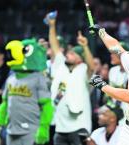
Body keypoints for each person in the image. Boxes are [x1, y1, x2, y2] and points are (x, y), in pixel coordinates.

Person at [0, 39, 54, 145]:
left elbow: (47, 105)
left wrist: (44, 128)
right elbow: (4, 104)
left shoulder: (39, 79)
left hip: (31, 131)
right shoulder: (11, 79)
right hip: (11, 130)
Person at [45, 12, 95, 145]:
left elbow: (92, 67)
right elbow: (54, 46)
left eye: (72, 54)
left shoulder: (83, 70)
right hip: (60, 126)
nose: (68, 54)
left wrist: (85, 46)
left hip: (78, 125)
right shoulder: (61, 67)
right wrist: (52, 26)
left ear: (80, 59)